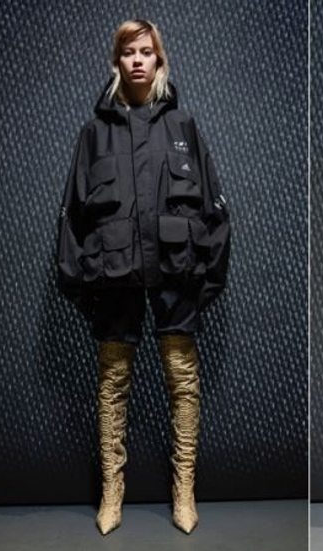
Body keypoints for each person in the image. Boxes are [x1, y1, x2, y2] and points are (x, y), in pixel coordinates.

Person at [55, 19, 230, 536]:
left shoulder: (184, 127)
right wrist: (82, 284)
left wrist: (205, 278)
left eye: (146, 52)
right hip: (115, 276)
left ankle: (184, 490)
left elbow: (215, 209)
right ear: (117, 61)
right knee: (112, 384)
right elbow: (72, 216)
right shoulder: (94, 133)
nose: (137, 60)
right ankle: (112, 492)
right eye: (129, 52)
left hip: (176, 275)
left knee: (183, 381)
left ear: (159, 61)